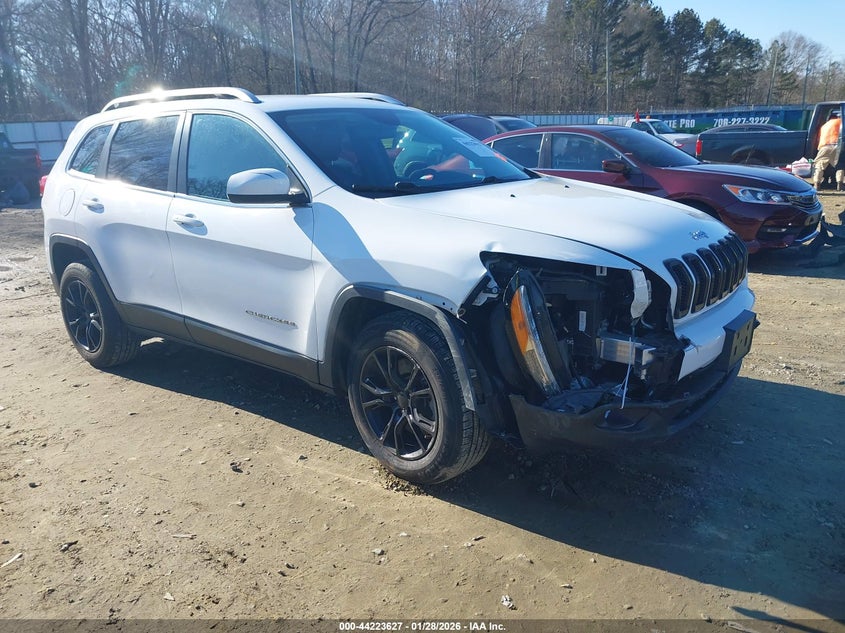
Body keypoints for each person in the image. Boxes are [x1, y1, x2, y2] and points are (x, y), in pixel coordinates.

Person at [813, 110, 843, 191]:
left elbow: (820, 138)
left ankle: (817, 184)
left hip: (824, 147)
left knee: (819, 165)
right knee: (840, 165)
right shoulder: (841, 123)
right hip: (838, 146)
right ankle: (839, 184)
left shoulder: (824, 126)